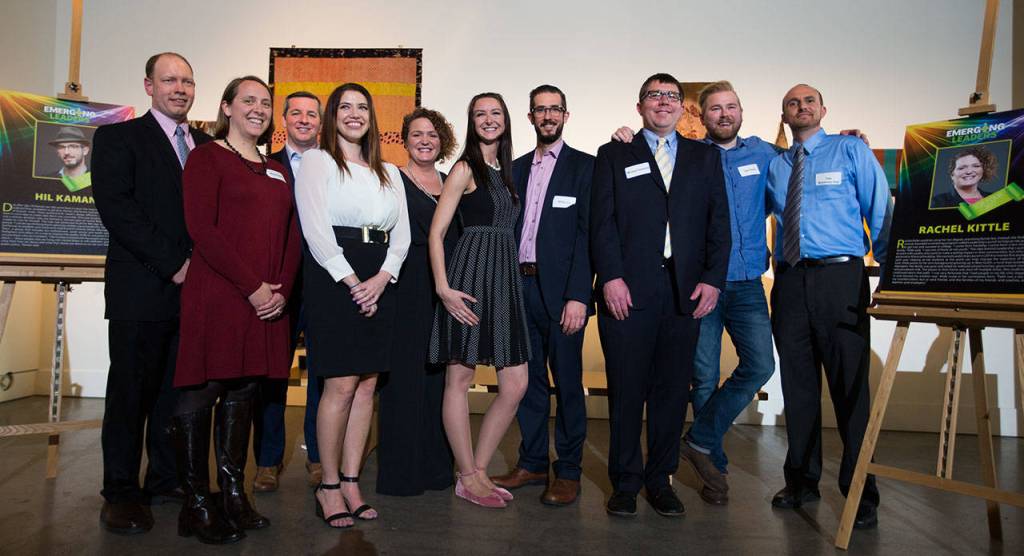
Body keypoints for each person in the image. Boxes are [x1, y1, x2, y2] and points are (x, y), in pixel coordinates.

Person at [590, 73, 730, 518]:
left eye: (671, 97)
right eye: (655, 96)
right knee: (627, 391)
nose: (664, 103)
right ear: (640, 107)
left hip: (684, 292)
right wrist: (610, 277)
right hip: (627, 292)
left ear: (682, 107)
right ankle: (626, 483)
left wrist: (712, 279)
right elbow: (602, 223)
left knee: (672, 393)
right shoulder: (614, 154)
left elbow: (719, 224)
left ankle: (660, 480)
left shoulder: (703, 158)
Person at [171, 75, 301, 544]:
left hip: (266, 300)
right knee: (202, 391)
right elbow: (202, 228)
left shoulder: (277, 169)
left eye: (266, 103)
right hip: (222, 294)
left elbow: (292, 234)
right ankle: (196, 502)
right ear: (227, 107)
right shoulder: (206, 158)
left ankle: (232, 493)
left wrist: (280, 289)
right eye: (248, 100)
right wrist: (253, 287)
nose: (258, 109)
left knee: (244, 392)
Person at [92, 51, 210, 536]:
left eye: (186, 80)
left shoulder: (204, 146)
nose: (179, 88)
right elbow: (118, 210)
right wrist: (174, 264)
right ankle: (120, 492)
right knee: (130, 394)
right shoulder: (119, 137)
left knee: (175, 393)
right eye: (169, 80)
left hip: (194, 294)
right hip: (141, 288)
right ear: (148, 86)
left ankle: (165, 479)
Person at [766, 83, 891, 530]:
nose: (801, 107)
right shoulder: (776, 165)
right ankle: (801, 480)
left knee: (850, 390)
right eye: (792, 104)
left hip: (842, 278)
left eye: (808, 101)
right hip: (791, 282)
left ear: (824, 109)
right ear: (784, 115)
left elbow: (880, 213)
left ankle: (861, 492)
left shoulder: (851, 151)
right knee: (798, 389)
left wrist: (890, 279)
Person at [294, 83, 410, 528]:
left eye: (363, 107)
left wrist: (382, 278)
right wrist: (351, 280)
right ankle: (327, 487)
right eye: (346, 107)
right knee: (340, 385)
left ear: (372, 117)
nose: (355, 114)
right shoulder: (318, 162)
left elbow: (401, 235)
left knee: (367, 386)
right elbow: (316, 230)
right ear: (333, 115)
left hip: (381, 278)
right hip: (334, 279)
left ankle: (351, 481)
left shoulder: (389, 172)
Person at [490, 85, 594, 506]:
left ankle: (567, 470)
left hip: (562, 295)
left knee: (567, 384)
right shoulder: (511, 169)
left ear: (566, 116)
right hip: (518, 289)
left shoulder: (585, 167)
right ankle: (532, 462)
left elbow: (590, 236)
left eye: (555, 109)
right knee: (525, 383)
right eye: (540, 110)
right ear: (530, 117)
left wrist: (579, 296)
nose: (547, 116)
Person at [428, 92, 530, 509]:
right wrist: (443, 287)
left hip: (504, 281)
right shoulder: (465, 167)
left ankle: (478, 469)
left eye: (495, 113)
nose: (488, 120)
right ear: (471, 122)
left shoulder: (505, 171)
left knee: (516, 383)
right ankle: (467, 475)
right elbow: (436, 233)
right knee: (460, 379)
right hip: (467, 277)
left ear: (506, 120)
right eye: (480, 114)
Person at [375, 107, 458, 497]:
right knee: (404, 381)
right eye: (417, 134)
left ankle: (437, 469)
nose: (425, 140)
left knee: (438, 379)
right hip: (406, 287)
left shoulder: (450, 180)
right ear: (404, 140)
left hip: (446, 289)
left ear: (443, 141)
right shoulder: (391, 179)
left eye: (433, 135)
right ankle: (401, 473)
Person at [253, 90, 324, 492]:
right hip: (279, 285)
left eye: (311, 114)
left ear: (320, 121)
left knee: (322, 374)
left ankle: (317, 455)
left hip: (323, 283)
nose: (303, 119)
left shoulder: (333, 165)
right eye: (295, 113)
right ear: (283, 120)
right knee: (272, 374)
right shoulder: (264, 166)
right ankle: (267, 460)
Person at [931, 146, 999, 208]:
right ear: (952, 175)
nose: (969, 171)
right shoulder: (937, 202)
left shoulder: (994, 198)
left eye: (976, 166)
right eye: (962, 168)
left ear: (983, 170)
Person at [48, 126, 92, 192]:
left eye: (73, 146)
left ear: (85, 150)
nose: (66, 152)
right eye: (61, 147)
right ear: (57, 152)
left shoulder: (98, 180)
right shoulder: (48, 179)